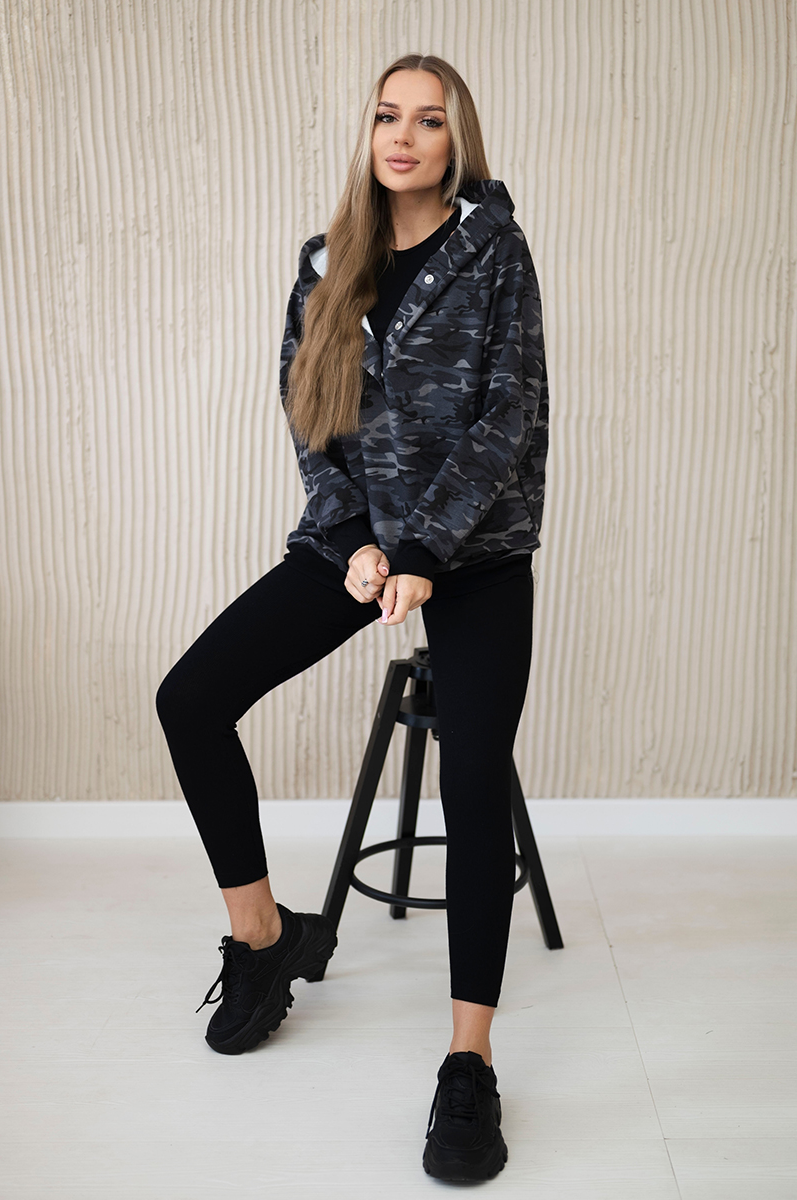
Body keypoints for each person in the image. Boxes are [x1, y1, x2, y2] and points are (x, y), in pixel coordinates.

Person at [156, 52, 548, 1183]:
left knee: (471, 779)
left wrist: (424, 552)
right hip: (359, 551)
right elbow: (310, 416)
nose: (403, 137)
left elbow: (508, 413)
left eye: (429, 120)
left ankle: (468, 1061)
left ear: (456, 142)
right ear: (368, 133)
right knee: (190, 699)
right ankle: (265, 937)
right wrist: (358, 541)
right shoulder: (325, 264)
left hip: (476, 556)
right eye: (387, 116)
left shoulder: (493, 251)